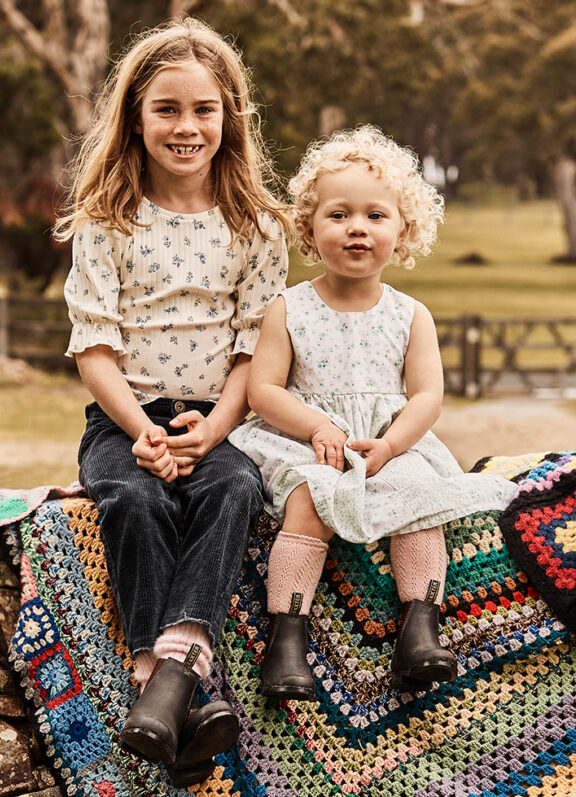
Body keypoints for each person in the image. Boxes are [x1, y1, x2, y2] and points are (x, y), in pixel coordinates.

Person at [55, 18, 290, 787]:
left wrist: (215, 428)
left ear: (230, 117)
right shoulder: (107, 219)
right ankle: (180, 684)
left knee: (235, 488)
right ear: (134, 116)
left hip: (217, 414)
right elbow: (94, 347)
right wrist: (142, 435)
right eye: (166, 109)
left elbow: (257, 345)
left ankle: (164, 680)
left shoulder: (255, 224)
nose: (187, 127)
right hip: (124, 415)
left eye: (204, 109)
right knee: (133, 496)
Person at [228, 125, 516, 699]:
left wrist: (391, 446)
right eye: (338, 215)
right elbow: (262, 389)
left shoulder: (412, 315)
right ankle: (288, 639)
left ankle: (420, 629)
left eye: (376, 216)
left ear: (403, 230)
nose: (357, 227)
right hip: (308, 441)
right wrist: (316, 426)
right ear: (310, 228)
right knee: (310, 496)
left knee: (420, 497)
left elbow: (427, 398)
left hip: (390, 443)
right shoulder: (288, 308)